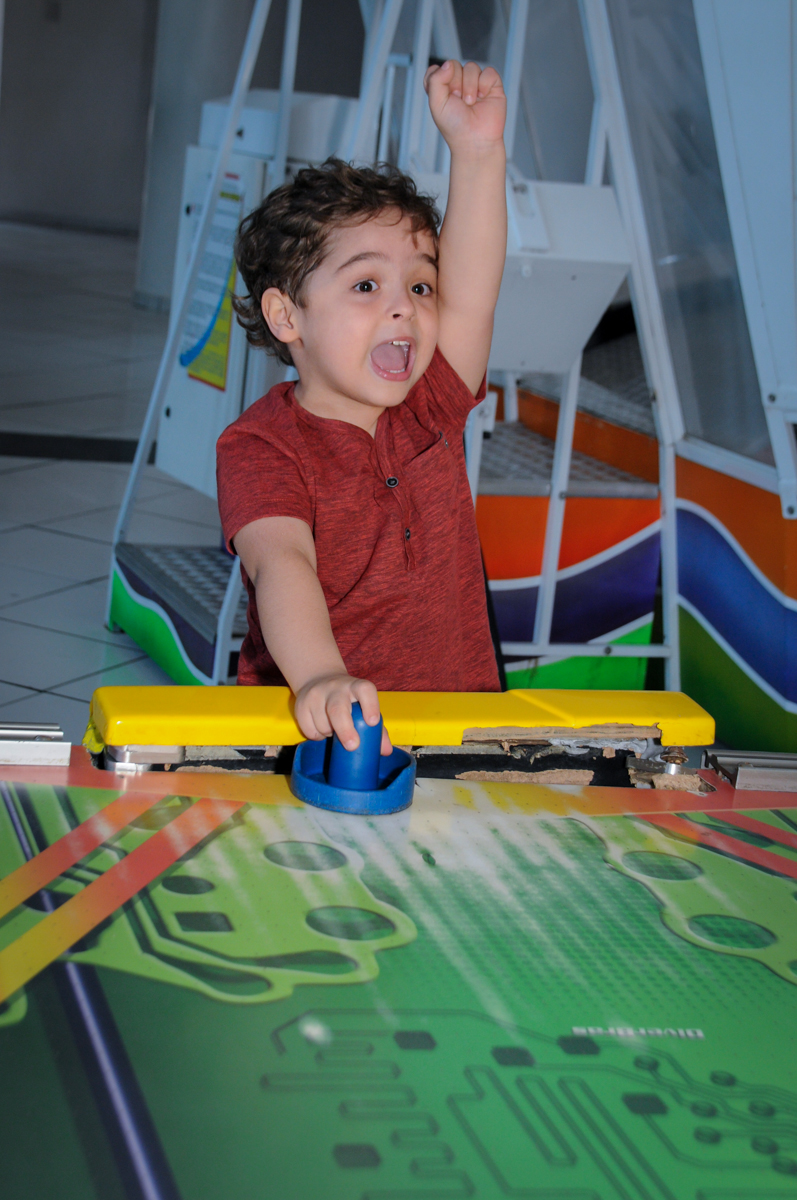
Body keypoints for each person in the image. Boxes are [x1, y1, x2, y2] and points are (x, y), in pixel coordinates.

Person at [217, 59, 507, 755]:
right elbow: (280, 561)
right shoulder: (262, 446)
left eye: (418, 287)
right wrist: (319, 676)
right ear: (287, 317)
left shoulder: (427, 408)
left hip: (453, 730)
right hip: (317, 739)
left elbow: (471, 294)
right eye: (366, 285)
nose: (402, 307)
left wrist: (475, 152)